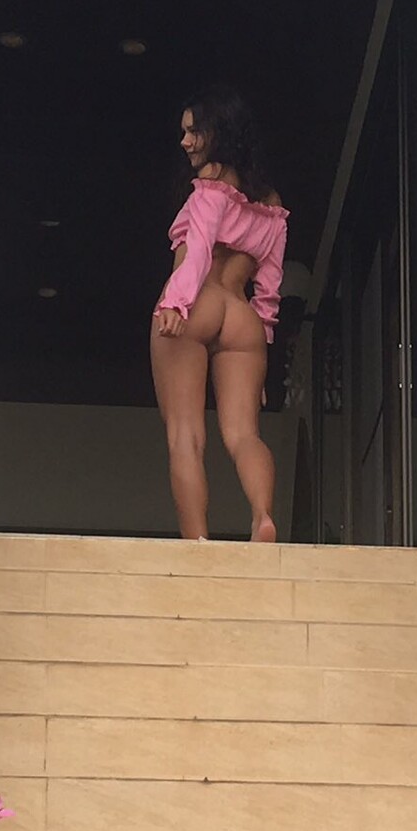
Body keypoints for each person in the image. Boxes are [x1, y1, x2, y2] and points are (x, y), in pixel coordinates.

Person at [151, 85, 288, 542]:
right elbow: (269, 288)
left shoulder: (211, 183)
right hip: (242, 316)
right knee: (244, 434)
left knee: (185, 434)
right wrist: (262, 354)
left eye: (195, 132)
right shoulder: (273, 206)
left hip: (197, 301)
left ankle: (198, 545)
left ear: (220, 132)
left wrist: (176, 303)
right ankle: (262, 515)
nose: (185, 142)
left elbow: (199, 250)